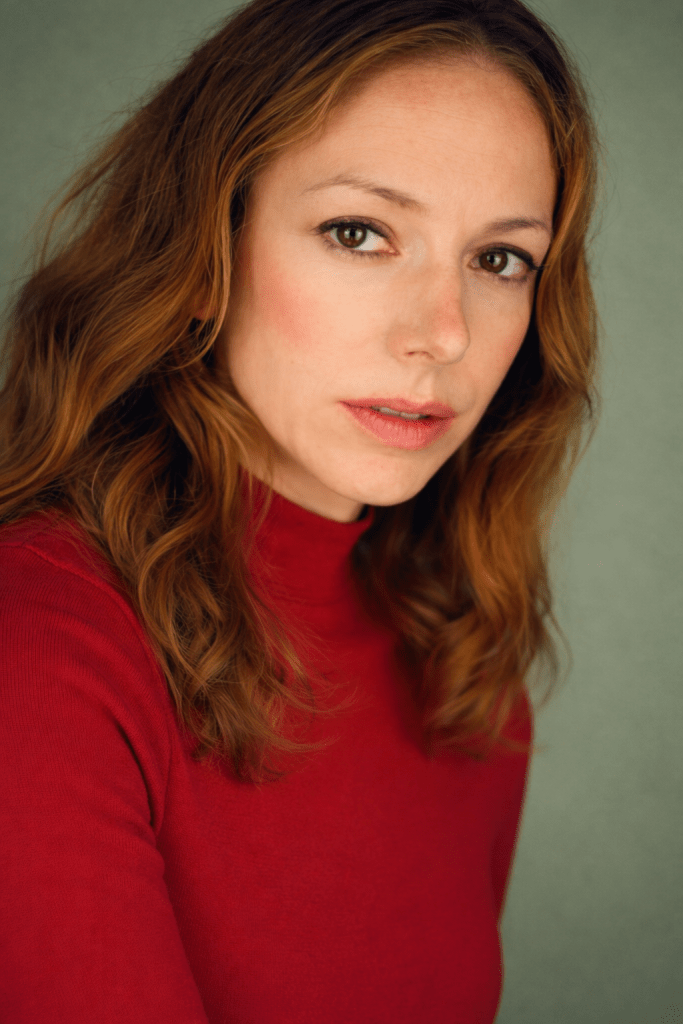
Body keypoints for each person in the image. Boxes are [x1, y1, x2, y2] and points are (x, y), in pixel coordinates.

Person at [0, 0, 603, 1020]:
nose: (444, 333)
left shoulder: (462, 675)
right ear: (204, 248)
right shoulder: (39, 648)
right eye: (359, 233)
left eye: (498, 259)